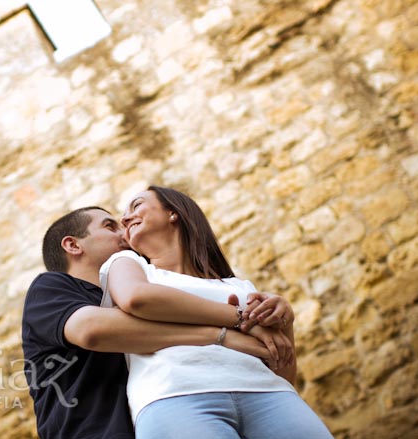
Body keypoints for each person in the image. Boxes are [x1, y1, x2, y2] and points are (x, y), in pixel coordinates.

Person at [21, 205, 288, 439]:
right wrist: (221, 334)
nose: (123, 231)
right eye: (109, 226)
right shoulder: (51, 287)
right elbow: (91, 330)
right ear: (73, 245)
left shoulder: (153, 285)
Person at [101, 185, 332, 438]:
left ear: (173, 212)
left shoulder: (240, 286)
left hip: (270, 393)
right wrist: (238, 318)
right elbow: (137, 298)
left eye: (136, 206)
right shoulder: (129, 264)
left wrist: (284, 320)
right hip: (175, 396)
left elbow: (283, 370)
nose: (124, 219)